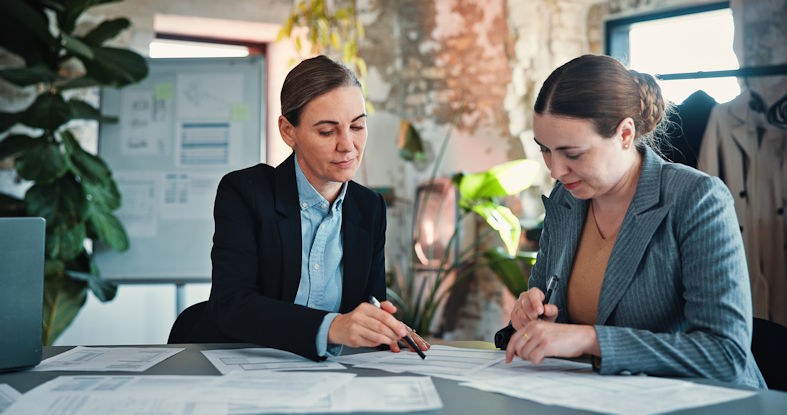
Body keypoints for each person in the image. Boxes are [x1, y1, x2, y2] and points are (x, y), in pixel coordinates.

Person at [502, 54, 766, 389]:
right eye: (545, 150)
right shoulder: (565, 199)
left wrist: (590, 340)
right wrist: (529, 315)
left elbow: (725, 355)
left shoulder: (697, 199)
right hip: (598, 398)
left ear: (625, 134)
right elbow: (551, 315)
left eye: (573, 154)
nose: (555, 170)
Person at [199, 55, 428, 360]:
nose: (347, 145)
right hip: (245, 363)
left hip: (325, 376)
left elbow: (367, 304)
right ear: (288, 131)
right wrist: (332, 327)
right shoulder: (245, 192)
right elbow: (233, 305)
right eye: (327, 131)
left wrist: (380, 326)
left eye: (357, 126)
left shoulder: (368, 207)